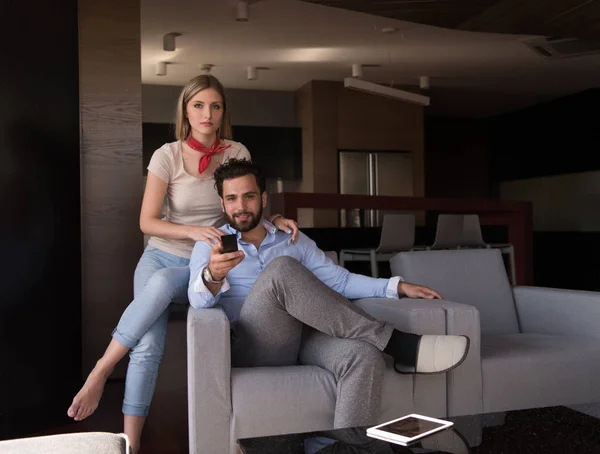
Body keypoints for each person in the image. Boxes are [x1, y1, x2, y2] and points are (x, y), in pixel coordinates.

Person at [66, 75, 298, 453]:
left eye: (216, 106)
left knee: (206, 314)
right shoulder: (167, 155)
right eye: (198, 106)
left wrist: (275, 222)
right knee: (148, 345)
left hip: (211, 262)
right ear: (186, 111)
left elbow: (245, 205)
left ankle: (105, 366)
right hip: (162, 255)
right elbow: (147, 222)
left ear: (224, 112)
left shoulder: (237, 151)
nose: (207, 114)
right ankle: (130, 441)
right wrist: (192, 231)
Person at [188, 158, 470, 429]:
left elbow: (340, 281)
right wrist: (214, 274)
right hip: (254, 343)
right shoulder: (210, 245)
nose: (241, 206)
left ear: (263, 199)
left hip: (303, 337)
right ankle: (396, 343)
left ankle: (346, 446)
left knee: (363, 356)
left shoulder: (292, 238)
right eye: (232, 198)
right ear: (223, 204)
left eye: (248, 197)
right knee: (282, 269)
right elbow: (198, 301)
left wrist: (395, 286)